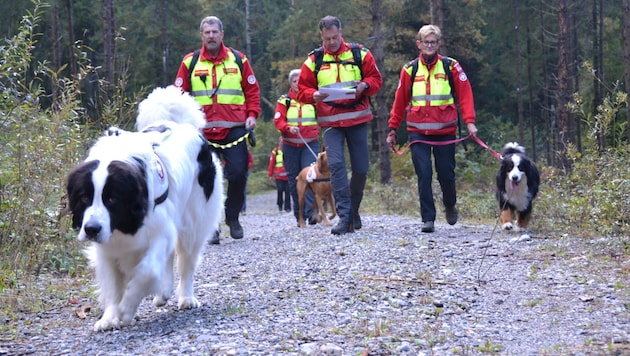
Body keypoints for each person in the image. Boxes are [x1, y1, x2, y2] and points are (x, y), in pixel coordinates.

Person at [174, 16, 260, 243]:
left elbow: (252, 91)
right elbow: (179, 97)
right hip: (202, 135)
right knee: (205, 180)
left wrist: (252, 116)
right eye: (207, 32)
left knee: (238, 174)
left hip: (235, 130)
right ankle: (210, 226)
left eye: (214, 32)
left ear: (222, 34)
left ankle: (232, 217)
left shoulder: (239, 60)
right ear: (201, 35)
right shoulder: (189, 63)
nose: (211, 36)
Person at [386, 24, 478, 233]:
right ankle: (428, 218)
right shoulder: (409, 69)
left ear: (438, 44)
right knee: (424, 173)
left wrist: (470, 121)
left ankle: (450, 204)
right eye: (425, 42)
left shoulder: (451, 66)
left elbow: (465, 95)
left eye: (433, 42)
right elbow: (399, 102)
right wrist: (392, 129)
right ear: (419, 44)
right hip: (417, 132)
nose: (429, 46)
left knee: (446, 173)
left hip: (445, 131)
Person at [297, 16, 383, 235]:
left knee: (361, 169)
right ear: (321, 36)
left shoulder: (359, 54)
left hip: (357, 118)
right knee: (336, 166)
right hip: (331, 123)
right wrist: (313, 94)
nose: (332, 42)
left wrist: (365, 85)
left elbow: (376, 80)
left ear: (341, 32)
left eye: (335, 37)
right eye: (327, 39)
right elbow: (301, 91)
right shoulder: (314, 60)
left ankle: (353, 210)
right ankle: (345, 218)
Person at [274, 69, 320, 225]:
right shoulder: (284, 101)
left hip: (310, 143)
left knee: (310, 176)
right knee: (295, 181)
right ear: (290, 83)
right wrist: (287, 128)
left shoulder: (314, 98)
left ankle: (312, 212)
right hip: (290, 145)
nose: (298, 84)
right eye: (295, 81)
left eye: (300, 81)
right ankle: (299, 213)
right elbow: (278, 120)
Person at [267, 138, 291, 212]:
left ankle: (287, 207)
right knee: (280, 190)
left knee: (288, 191)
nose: (282, 143)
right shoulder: (275, 151)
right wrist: (270, 174)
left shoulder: (289, 150)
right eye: (281, 142)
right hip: (278, 175)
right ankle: (280, 205)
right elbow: (271, 163)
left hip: (287, 175)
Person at [241, 149, 254, 214]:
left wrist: (245, 167)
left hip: (244, 172)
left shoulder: (247, 151)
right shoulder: (230, 149)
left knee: (243, 190)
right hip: (233, 172)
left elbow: (251, 161)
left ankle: (243, 209)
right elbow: (225, 160)